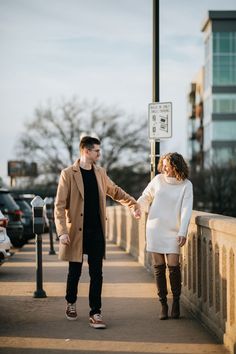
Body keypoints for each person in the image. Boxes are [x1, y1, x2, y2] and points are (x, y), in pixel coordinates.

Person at [54, 136, 140, 329]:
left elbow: (115, 191)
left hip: (96, 231)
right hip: (75, 231)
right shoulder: (68, 174)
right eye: (97, 151)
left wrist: (133, 203)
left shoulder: (100, 172)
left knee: (97, 273)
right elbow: (59, 206)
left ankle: (95, 312)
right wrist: (61, 232)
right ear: (86, 150)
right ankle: (71, 302)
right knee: (74, 272)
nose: (99, 154)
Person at [134, 152, 193, 320]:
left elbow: (186, 209)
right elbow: (146, 196)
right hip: (155, 228)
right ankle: (163, 304)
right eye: (164, 166)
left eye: (168, 166)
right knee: (159, 269)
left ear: (177, 166)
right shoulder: (158, 180)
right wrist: (138, 208)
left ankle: (175, 301)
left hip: (174, 231)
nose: (165, 169)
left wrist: (182, 231)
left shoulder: (186, 185)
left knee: (174, 267)